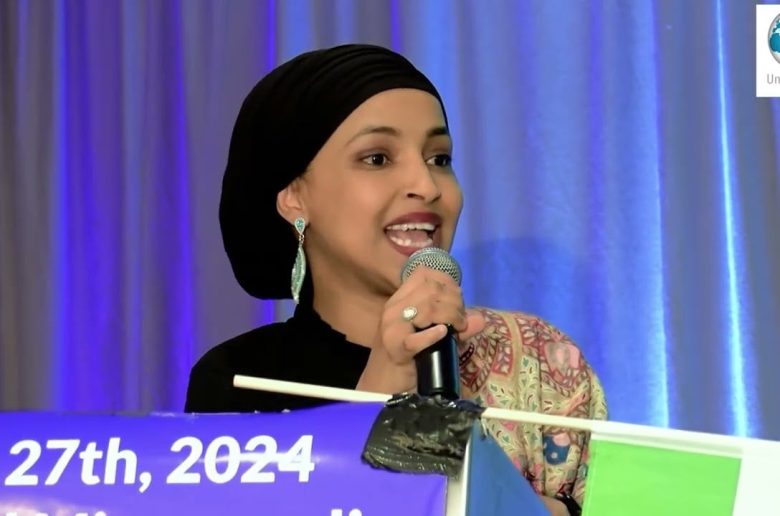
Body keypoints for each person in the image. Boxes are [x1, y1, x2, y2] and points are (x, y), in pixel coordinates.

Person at [185, 44, 606, 515]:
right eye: (378, 158)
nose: (426, 186)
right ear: (294, 198)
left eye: (439, 158)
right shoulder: (240, 381)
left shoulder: (543, 359)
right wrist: (378, 394)